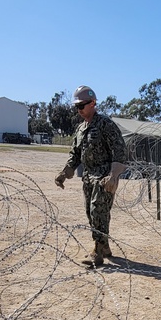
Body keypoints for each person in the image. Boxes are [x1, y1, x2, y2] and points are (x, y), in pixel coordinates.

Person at [55, 86, 127, 267]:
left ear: (93, 103)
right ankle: (105, 247)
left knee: (98, 211)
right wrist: (65, 173)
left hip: (104, 177)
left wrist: (114, 175)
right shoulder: (80, 129)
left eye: (82, 106)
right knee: (91, 212)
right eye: (76, 107)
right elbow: (75, 154)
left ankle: (97, 252)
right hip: (88, 177)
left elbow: (119, 150)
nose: (79, 110)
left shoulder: (105, 124)